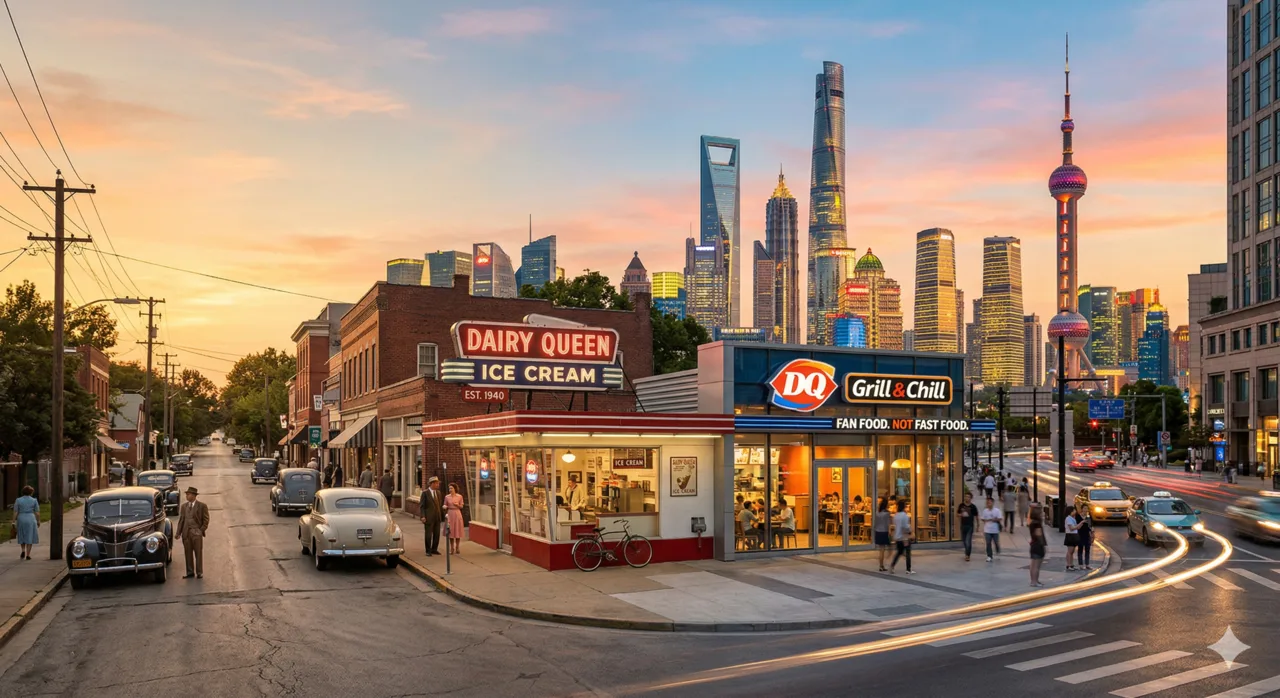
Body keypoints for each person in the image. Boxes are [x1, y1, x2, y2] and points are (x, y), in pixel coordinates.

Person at [175, 486, 210, 579]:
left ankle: (199, 572)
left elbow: (206, 520)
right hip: (186, 533)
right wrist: (178, 533)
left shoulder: (202, 506)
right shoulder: (184, 507)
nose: (187, 496)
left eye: (188, 494)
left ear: (194, 496)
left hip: (196, 533)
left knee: (198, 553)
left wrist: (201, 530)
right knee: (188, 553)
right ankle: (190, 572)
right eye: (186, 494)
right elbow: (181, 520)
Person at [420, 476, 445, 556]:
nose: (438, 485)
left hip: (437, 517)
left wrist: (442, 515)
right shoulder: (425, 493)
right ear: (432, 484)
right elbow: (422, 506)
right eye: (436, 483)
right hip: (428, 517)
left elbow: (439, 504)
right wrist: (423, 516)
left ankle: (434, 549)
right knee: (428, 534)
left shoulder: (438, 493)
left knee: (437, 534)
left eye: (438, 483)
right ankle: (428, 550)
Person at [888, 500, 913, 575]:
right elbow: (905, 526)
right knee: (908, 552)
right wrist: (910, 532)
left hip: (897, 536)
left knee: (899, 552)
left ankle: (892, 565)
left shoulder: (896, 515)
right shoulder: (905, 516)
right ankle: (908, 569)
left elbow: (895, 526)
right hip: (904, 536)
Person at [14, 486, 38, 560]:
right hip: (31, 518)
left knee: (22, 534)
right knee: (30, 535)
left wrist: (13, 521)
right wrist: (39, 521)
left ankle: (23, 550)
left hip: (21, 518)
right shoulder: (34, 500)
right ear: (31, 492)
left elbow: (16, 511)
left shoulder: (18, 500)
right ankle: (28, 554)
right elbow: (37, 512)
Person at [1027, 504, 1047, 587]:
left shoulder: (1032, 522)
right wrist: (1043, 545)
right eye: (1041, 511)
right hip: (1038, 545)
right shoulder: (1037, 524)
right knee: (1037, 565)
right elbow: (1039, 535)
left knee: (1033, 564)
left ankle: (1033, 581)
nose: (1042, 513)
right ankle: (1035, 581)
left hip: (1033, 544)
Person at [956, 491, 978, 562]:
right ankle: (967, 551)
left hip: (970, 526)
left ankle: (967, 555)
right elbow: (957, 514)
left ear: (971, 498)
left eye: (968, 497)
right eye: (965, 496)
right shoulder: (961, 505)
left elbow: (976, 516)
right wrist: (961, 515)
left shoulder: (973, 507)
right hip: (963, 525)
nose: (966, 498)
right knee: (964, 540)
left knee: (968, 541)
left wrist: (978, 525)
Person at [445, 483, 465, 555]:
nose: (450, 490)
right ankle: (451, 548)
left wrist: (458, 505)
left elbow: (462, 506)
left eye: (451, 488)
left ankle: (457, 547)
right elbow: (445, 505)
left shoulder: (459, 496)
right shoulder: (447, 497)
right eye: (449, 488)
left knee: (457, 531)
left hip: (457, 513)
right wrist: (444, 506)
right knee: (451, 531)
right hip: (450, 513)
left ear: (455, 489)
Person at [980, 496, 1002, 561]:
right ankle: (989, 556)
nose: (988, 504)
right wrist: (985, 520)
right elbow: (982, 518)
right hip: (987, 530)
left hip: (995, 530)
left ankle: (998, 552)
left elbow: (1000, 518)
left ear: (992, 503)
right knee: (988, 543)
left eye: (990, 502)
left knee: (996, 542)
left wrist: (995, 519)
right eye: (987, 503)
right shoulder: (985, 511)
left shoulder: (997, 510)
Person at [873, 498, 892, 572]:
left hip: (878, 531)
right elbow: (888, 524)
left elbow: (875, 523)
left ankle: (881, 565)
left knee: (881, 550)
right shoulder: (887, 513)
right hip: (884, 531)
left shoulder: (877, 512)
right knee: (883, 550)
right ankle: (882, 565)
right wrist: (889, 532)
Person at [1063, 505, 1080, 571]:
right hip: (1070, 535)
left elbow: (1076, 527)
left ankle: (1071, 564)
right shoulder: (1068, 518)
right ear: (1070, 512)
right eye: (1074, 510)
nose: (1075, 511)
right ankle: (1068, 564)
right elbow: (1071, 528)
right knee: (1070, 551)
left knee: (1072, 551)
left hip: (1074, 535)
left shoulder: (1072, 518)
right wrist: (1080, 524)